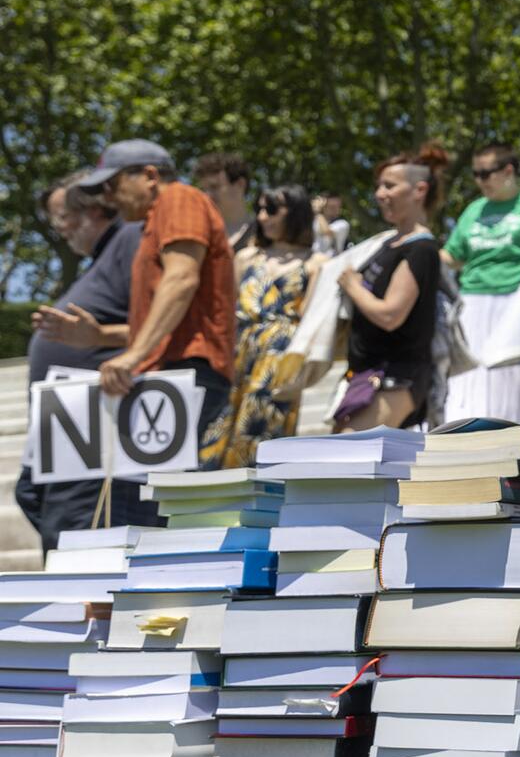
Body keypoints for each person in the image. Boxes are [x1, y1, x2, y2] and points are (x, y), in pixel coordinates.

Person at [74, 141, 237, 465]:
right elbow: (175, 314)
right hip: (172, 373)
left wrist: (133, 355)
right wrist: (100, 336)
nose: (108, 198)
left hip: (187, 370)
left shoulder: (179, 199)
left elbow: (182, 279)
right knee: (153, 490)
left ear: (150, 176)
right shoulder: (155, 220)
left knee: (164, 490)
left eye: (112, 185)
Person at [18, 175, 149, 548]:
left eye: (64, 216)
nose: (61, 228)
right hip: (67, 428)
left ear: (94, 209)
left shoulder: (131, 238)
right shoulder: (100, 259)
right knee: (33, 498)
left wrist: (102, 338)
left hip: (97, 434)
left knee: (80, 542)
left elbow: (163, 324)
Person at [440, 142, 520, 429]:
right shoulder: (473, 210)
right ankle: (472, 435)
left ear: (508, 170)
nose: (480, 181)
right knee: (473, 377)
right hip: (474, 304)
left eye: (486, 173)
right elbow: (452, 256)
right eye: (475, 174)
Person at [336, 143, 446, 431]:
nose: (379, 194)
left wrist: (352, 287)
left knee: (348, 453)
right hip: (367, 376)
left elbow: (390, 315)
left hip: (395, 377)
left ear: (419, 190)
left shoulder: (421, 248)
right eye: (379, 186)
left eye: (389, 186)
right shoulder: (386, 244)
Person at [215, 185, 325, 467]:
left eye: (272, 210)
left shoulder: (316, 263)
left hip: (278, 360)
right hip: (238, 354)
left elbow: (311, 321)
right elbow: (226, 311)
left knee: (259, 441)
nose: (263, 217)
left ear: (296, 213)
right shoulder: (247, 257)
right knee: (218, 435)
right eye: (260, 209)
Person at [194, 151, 256, 254]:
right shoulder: (198, 237)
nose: (207, 195)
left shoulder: (264, 234)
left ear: (240, 184)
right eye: (204, 189)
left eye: (214, 187)